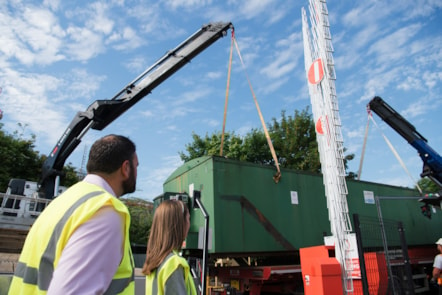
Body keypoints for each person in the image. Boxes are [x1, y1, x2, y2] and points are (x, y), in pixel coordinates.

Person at [8, 134, 138, 295]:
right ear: (125, 168)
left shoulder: (63, 202)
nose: (137, 171)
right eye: (136, 166)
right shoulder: (104, 209)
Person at [142, 199, 197, 295]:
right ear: (180, 224)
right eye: (188, 219)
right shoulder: (174, 264)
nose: (189, 224)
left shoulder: (154, 262)